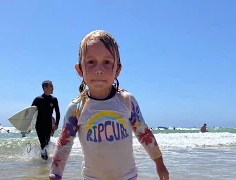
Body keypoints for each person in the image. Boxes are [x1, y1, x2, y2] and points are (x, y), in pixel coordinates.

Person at [49, 30, 169, 180]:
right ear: (80, 69)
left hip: (127, 176)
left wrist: (159, 163)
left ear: (117, 69)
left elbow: (143, 133)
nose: (99, 70)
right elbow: (64, 145)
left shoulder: (126, 101)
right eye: (91, 62)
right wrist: (55, 174)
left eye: (107, 62)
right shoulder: (76, 108)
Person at [32, 80, 60, 160]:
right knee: (43, 143)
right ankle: (45, 161)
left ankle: (44, 161)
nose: (53, 88)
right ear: (45, 88)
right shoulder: (38, 99)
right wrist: (28, 126)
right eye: (51, 86)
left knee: (46, 144)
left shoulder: (54, 99)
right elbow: (31, 113)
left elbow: (57, 113)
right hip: (39, 125)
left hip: (48, 125)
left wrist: (56, 124)